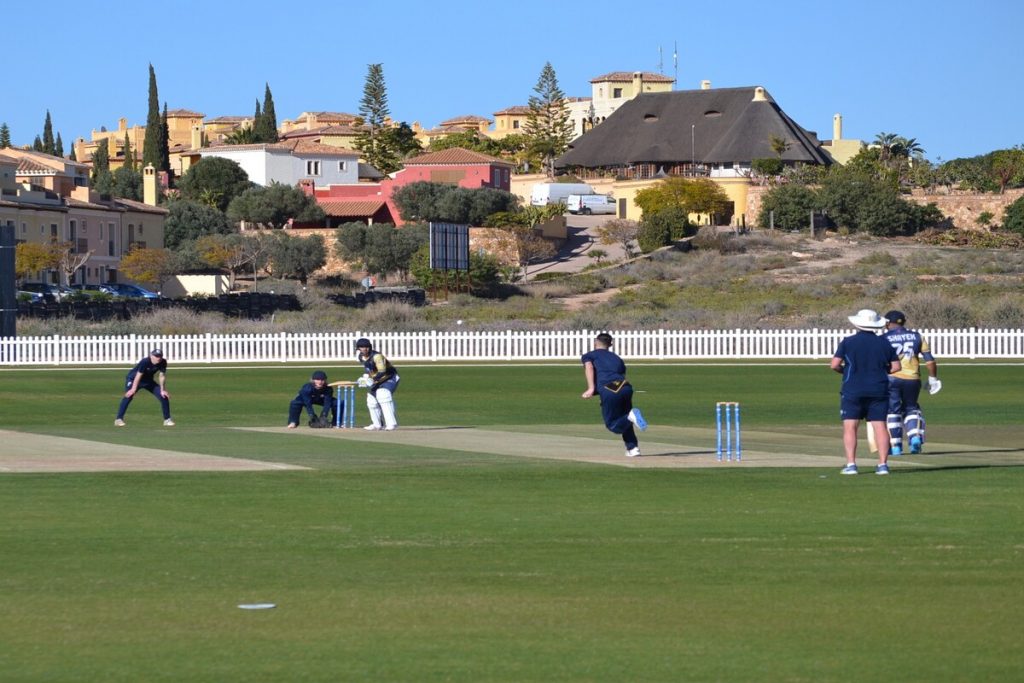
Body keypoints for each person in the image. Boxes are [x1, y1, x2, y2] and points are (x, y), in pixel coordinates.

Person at [830, 309, 901, 475]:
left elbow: (834, 364)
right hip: (878, 388)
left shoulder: (848, 342)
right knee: (880, 426)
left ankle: (851, 464)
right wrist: (882, 371)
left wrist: (846, 371)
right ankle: (883, 464)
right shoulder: (884, 343)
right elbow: (896, 366)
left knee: (850, 427)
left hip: (853, 388)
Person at [883, 310, 941, 455]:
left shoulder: (883, 338)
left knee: (892, 411)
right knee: (911, 408)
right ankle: (915, 436)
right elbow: (930, 360)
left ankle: (895, 446)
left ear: (888, 323)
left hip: (891, 378)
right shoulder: (917, 336)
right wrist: (933, 378)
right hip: (912, 378)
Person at [581, 332, 647, 457]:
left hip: (609, 389)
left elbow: (589, 367)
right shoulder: (617, 358)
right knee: (625, 417)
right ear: (610, 344)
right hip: (625, 387)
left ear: (595, 343)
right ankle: (633, 448)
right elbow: (619, 376)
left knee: (613, 425)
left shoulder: (589, 355)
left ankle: (631, 417)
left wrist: (590, 388)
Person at [115, 348, 174, 426]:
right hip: (133, 379)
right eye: (156, 356)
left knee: (163, 396)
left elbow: (162, 376)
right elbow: (138, 375)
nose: (158, 358)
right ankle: (118, 419)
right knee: (129, 395)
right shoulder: (145, 361)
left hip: (148, 381)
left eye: (160, 356)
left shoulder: (163, 362)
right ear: (151, 356)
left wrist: (163, 390)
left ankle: (167, 420)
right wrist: (133, 389)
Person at [355, 338, 400, 431]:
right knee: (371, 400)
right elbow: (369, 370)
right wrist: (365, 379)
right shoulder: (361, 357)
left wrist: (372, 379)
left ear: (369, 347)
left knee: (383, 395)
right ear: (358, 348)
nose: (364, 349)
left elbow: (382, 371)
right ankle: (377, 424)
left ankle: (391, 424)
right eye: (362, 347)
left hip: (390, 377)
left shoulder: (377, 356)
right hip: (378, 380)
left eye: (366, 347)